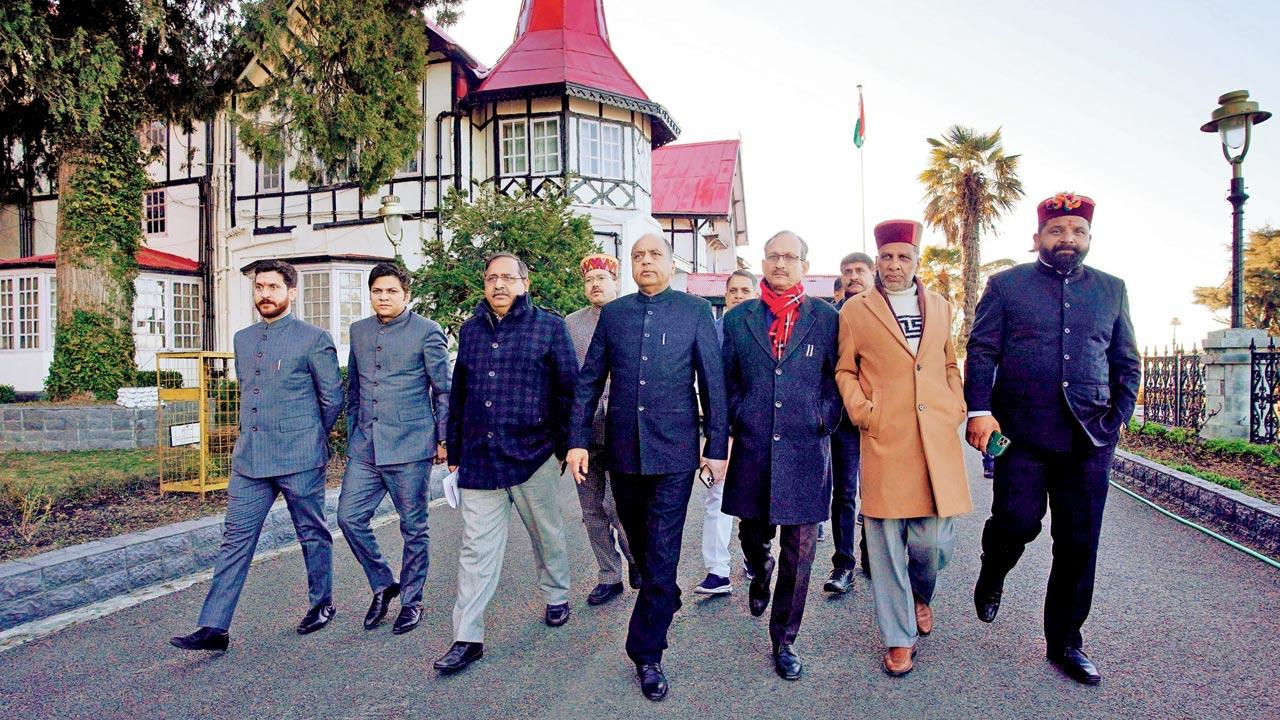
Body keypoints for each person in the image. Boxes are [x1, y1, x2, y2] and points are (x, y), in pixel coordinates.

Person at [965, 193, 1140, 685]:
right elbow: (981, 351)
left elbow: (1126, 360)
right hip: (1021, 434)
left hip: (1090, 439)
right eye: (1057, 231)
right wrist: (981, 411)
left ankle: (1065, 641)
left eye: (1077, 231)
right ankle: (993, 569)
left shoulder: (1112, 289)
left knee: (1079, 543)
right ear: (1037, 237)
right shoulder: (1006, 286)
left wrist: (1117, 417)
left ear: (1088, 238)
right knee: (1016, 522)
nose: (1068, 239)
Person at [568, 233, 728, 702]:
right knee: (640, 547)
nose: (645, 262)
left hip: (675, 454)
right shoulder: (615, 315)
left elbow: (712, 384)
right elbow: (589, 380)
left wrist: (715, 446)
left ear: (670, 263)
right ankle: (663, 589)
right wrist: (577, 441)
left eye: (654, 254)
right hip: (623, 453)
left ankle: (647, 652)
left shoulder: (694, 311)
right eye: (637, 256)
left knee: (661, 551)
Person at [170, 259, 343, 651]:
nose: (265, 294)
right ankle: (215, 627)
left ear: (291, 293)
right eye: (259, 287)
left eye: (273, 287)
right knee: (235, 539)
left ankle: (322, 603)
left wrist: (308, 436)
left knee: (311, 533)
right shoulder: (243, 339)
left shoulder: (313, 338)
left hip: (300, 457)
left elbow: (332, 399)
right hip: (250, 460)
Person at [835, 220, 971, 677]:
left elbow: (949, 361)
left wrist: (955, 405)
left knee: (930, 542)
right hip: (885, 438)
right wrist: (862, 411)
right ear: (878, 262)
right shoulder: (856, 311)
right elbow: (845, 370)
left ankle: (921, 596)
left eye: (903, 257)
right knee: (886, 544)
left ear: (917, 261)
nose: (895, 265)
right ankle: (898, 638)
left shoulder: (941, 306)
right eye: (887, 257)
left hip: (934, 440)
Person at [433, 252, 577, 675]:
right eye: (492, 278)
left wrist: (566, 447)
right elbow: (458, 394)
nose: (499, 285)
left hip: (534, 456)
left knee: (546, 534)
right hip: (480, 459)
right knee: (476, 549)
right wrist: (454, 452)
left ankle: (556, 594)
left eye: (508, 278)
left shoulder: (549, 327)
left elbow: (569, 391)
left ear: (524, 284)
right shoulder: (471, 331)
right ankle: (467, 637)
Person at [720, 231, 841, 680]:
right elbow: (725, 379)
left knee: (802, 547)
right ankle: (758, 567)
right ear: (763, 262)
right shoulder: (738, 320)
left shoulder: (827, 319)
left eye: (791, 257)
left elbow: (838, 377)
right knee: (753, 533)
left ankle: (784, 639)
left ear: (805, 266)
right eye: (773, 256)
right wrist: (738, 415)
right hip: (753, 446)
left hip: (806, 449)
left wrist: (822, 417)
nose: (781, 263)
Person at [337, 263, 452, 635]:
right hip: (366, 448)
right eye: (377, 292)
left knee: (414, 528)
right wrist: (353, 433)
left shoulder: (427, 332)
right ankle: (384, 582)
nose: (383, 298)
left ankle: (412, 600)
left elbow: (443, 389)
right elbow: (353, 388)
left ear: (406, 295)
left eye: (391, 292)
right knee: (348, 518)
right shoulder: (359, 331)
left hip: (411, 447)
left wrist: (443, 439)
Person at [565, 253, 637, 606]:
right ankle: (609, 575)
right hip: (584, 428)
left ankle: (636, 558)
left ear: (616, 282)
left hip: (623, 424)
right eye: (589, 279)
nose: (595, 284)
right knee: (591, 508)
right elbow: (566, 377)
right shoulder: (572, 323)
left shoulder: (631, 317)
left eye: (602, 279)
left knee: (617, 505)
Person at [694, 268, 757, 596]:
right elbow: (707, 386)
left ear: (755, 294)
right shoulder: (711, 332)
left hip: (758, 431)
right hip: (722, 430)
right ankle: (717, 570)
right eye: (733, 290)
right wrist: (716, 434)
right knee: (716, 497)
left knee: (754, 500)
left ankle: (754, 557)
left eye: (745, 290)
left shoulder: (766, 332)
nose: (738, 296)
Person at [825, 251, 875, 594]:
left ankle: (875, 556)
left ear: (872, 273)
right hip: (843, 421)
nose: (853, 275)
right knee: (843, 492)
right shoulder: (831, 317)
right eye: (847, 271)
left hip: (882, 419)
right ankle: (844, 565)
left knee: (876, 492)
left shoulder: (887, 313)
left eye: (859, 270)